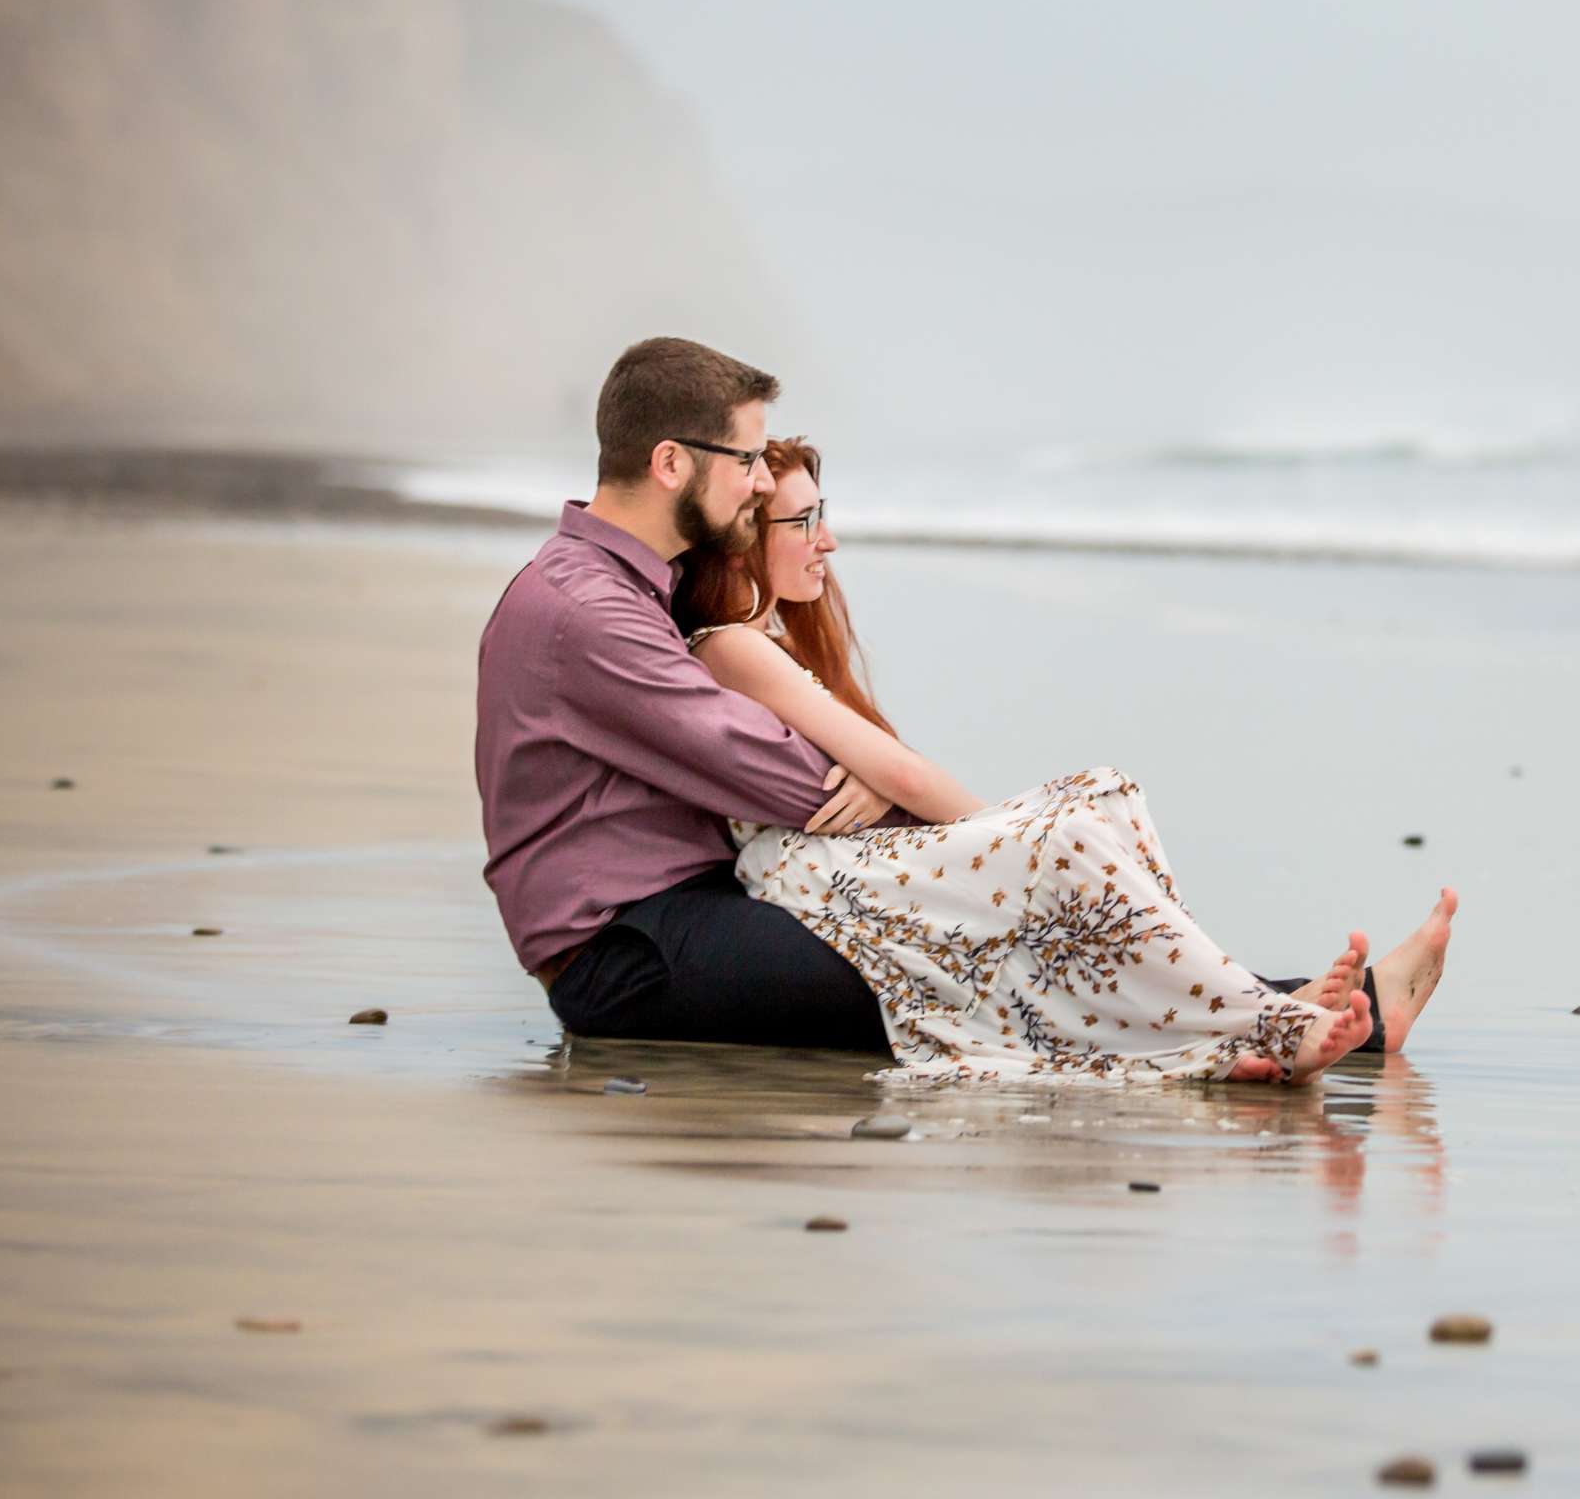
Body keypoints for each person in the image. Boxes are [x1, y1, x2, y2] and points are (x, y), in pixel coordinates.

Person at [473, 336, 1451, 1076]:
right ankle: (1290, 1020)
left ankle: (1277, 1018)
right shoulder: (588, 614)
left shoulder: (624, 589)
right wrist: (963, 834)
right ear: (672, 463)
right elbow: (792, 778)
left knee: (973, 942)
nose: (763, 483)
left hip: (691, 910)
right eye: (747, 462)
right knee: (952, 967)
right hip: (627, 953)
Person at [675, 435, 1456, 1083]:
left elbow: (889, 774)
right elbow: (905, 776)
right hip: (806, 876)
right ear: (745, 542)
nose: (827, 539)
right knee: (1062, 839)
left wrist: (910, 797)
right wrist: (1005, 843)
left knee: (1105, 794)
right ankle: (1270, 1017)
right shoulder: (731, 645)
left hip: (848, 854)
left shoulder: (772, 640)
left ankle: (1231, 1022)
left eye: (824, 513)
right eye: (802, 521)